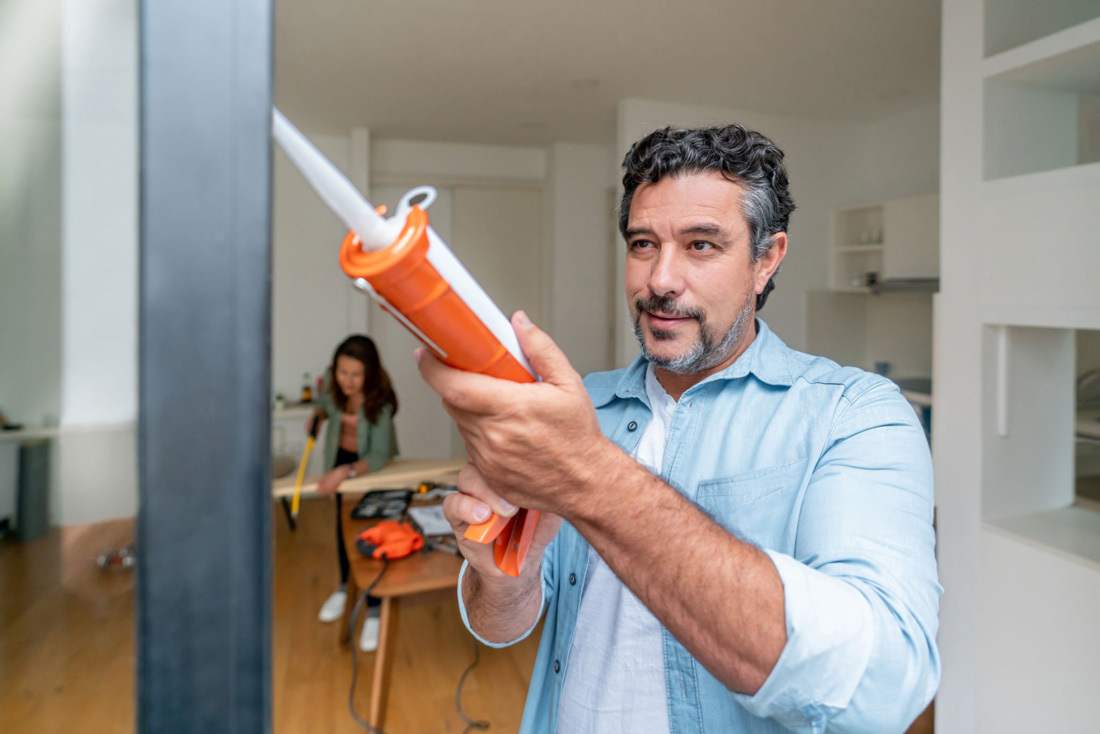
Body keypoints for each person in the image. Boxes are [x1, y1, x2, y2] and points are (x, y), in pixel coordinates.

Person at [417, 125, 941, 733]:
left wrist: (590, 477)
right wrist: (500, 571)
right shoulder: (580, 409)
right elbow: (499, 627)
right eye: (643, 243)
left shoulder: (854, 416)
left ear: (765, 260)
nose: (660, 280)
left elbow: (882, 688)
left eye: (700, 245)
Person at [311, 335, 399, 652]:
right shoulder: (335, 390)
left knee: (369, 535)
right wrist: (319, 415)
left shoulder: (381, 402)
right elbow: (324, 404)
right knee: (341, 529)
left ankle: (374, 608)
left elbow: (377, 456)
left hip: (369, 469)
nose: (347, 381)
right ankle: (345, 587)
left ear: (370, 374)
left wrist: (344, 473)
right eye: (341, 372)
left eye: (356, 374)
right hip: (341, 461)